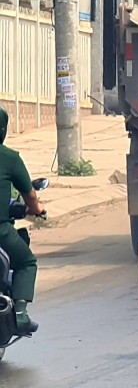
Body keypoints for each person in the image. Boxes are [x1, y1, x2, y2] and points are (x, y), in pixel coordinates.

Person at [0, 106, 44, 334]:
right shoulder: (10, 158)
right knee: (27, 262)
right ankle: (20, 315)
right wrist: (37, 210)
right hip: (2, 232)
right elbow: (31, 195)